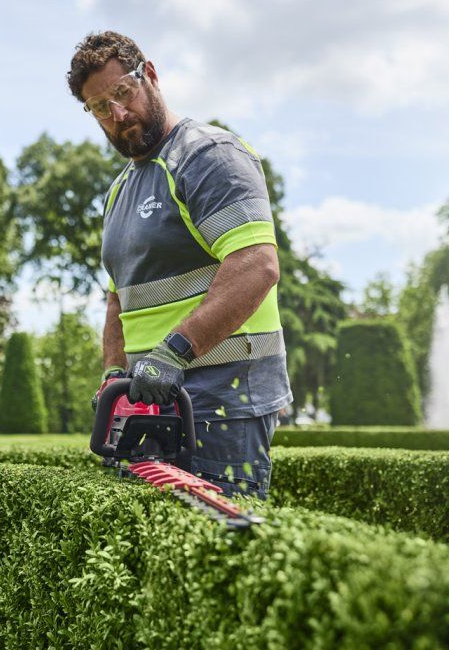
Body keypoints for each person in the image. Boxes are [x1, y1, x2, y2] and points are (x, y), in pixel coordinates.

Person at [68, 31, 292, 499]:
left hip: (222, 401)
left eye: (122, 93)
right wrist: (113, 373)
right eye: (100, 107)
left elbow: (256, 265)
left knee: (219, 535)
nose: (118, 114)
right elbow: (118, 299)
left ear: (149, 74)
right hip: (149, 403)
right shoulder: (119, 191)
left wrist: (173, 353)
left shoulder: (209, 157)